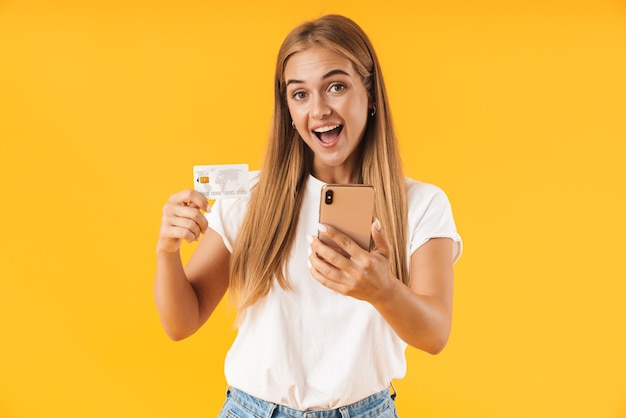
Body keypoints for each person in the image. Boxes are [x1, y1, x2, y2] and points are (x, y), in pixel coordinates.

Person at [155, 14, 462, 418]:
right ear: (288, 107)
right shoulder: (251, 198)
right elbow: (183, 322)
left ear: (369, 95)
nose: (318, 109)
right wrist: (167, 251)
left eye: (336, 87)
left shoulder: (420, 204)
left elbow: (435, 334)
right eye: (299, 94)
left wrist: (384, 290)